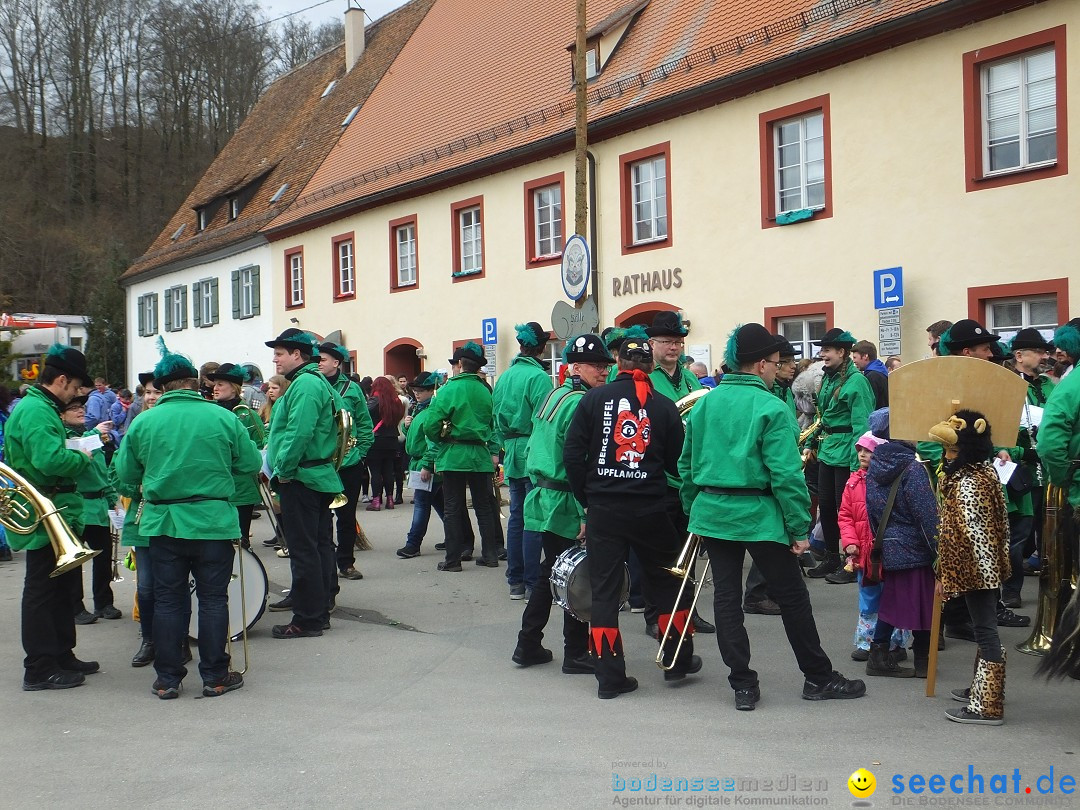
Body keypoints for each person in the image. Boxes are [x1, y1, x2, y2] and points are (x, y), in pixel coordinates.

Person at [679, 323, 866, 710]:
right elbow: (786, 475)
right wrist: (799, 528)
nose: (778, 367)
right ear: (762, 364)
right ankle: (817, 677)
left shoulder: (705, 403)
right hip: (760, 515)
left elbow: (685, 466)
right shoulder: (770, 406)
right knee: (793, 598)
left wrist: (694, 508)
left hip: (713, 512)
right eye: (776, 361)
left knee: (727, 600)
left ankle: (742, 684)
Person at [114, 343, 262, 699]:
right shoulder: (223, 417)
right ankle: (214, 676)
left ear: (162, 387)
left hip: (164, 521)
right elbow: (250, 464)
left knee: (168, 601)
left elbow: (124, 475)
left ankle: (167, 679)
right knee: (213, 600)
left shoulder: (144, 421)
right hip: (213, 519)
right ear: (193, 382)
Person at [564, 337, 699, 699]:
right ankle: (676, 659)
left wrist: (587, 496)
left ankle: (610, 677)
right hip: (651, 507)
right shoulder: (666, 406)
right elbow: (677, 462)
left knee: (605, 592)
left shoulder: (592, 399)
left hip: (605, 510)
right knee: (668, 584)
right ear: (650, 365)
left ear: (619, 362)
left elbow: (573, 454)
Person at [512, 334, 612, 675]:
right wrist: (586, 510)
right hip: (565, 497)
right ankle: (574, 652)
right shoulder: (583, 402)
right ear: (576, 367)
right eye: (597, 366)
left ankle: (528, 643)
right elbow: (578, 460)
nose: (603, 372)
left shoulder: (555, 394)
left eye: (606, 366)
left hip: (543, 492)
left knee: (552, 570)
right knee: (574, 573)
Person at [5, 344, 97, 690]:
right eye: (74, 388)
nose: (75, 395)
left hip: (54, 509)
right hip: (44, 512)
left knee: (60, 588)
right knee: (42, 589)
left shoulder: (40, 408)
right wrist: (82, 458)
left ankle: (61, 652)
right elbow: (49, 461)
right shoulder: (37, 411)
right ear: (61, 380)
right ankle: (40, 666)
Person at [927, 410, 1011, 724]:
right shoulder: (984, 472)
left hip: (976, 568)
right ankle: (982, 688)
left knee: (986, 632)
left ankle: (987, 705)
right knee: (983, 629)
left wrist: (946, 576)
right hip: (986, 565)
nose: (947, 457)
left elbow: (957, 536)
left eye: (953, 451)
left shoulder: (967, 483)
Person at [264, 329, 344, 638]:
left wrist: (282, 469)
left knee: (304, 550)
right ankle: (318, 611)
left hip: (302, 477)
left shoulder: (307, 384)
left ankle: (308, 619)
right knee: (318, 546)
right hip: (314, 475)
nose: (275, 358)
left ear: (298, 354)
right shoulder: (313, 381)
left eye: (280, 353)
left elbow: (299, 432)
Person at [863, 410, 938, 679]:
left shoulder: (875, 467)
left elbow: (871, 511)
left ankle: (880, 653)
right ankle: (922, 660)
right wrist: (939, 550)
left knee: (895, 600)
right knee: (923, 603)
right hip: (916, 547)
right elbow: (927, 514)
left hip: (889, 545)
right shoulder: (913, 468)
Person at [803, 328, 875, 583]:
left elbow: (862, 425)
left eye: (827, 351)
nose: (823, 355)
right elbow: (823, 418)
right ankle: (832, 556)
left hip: (847, 452)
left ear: (841, 352)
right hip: (828, 450)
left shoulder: (856, 382)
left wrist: (860, 462)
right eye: (822, 351)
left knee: (847, 510)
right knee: (828, 508)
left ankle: (851, 562)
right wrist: (810, 442)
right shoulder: (829, 378)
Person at [424, 342, 503, 571]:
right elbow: (493, 423)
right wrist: (493, 451)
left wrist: (441, 438)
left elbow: (431, 425)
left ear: (459, 364)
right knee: (484, 508)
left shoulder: (449, 389)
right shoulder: (486, 390)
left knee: (452, 508)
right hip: (480, 453)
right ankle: (490, 556)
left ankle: (453, 560)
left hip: (454, 454)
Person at [492, 321, 553, 600]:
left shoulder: (505, 376)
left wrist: (502, 446)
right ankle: (531, 582)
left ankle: (515, 579)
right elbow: (544, 419)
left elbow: (495, 417)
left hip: (512, 447)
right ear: (541, 348)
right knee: (533, 517)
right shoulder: (538, 377)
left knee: (517, 515)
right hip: (532, 447)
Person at [112, 372, 162, 667]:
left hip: (172, 515)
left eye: (157, 391)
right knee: (146, 585)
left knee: (175, 584)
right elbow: (119, 474)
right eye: (148, 392)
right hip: (143, 517)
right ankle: (149, 639)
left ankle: (179, 639)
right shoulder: (135, 427)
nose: (151, 397)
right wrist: (138, 487)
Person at [59, 396, 120, 624]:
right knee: (75, 561)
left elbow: (101, 473)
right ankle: (76, 608)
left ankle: (104, 602)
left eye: (81, 407)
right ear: (62, 415)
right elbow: (74, 453)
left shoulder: (89, 436)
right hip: (76, 505)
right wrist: (93, 433)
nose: (79, 411)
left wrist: (113, 499)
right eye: (73, 408)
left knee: (104, 557)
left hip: (98, 505)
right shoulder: (65, 436)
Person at [318, 343, 374, 580]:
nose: (318, 362)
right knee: (321, 517)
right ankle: (325, 563)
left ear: (336, 363)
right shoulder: (312, 384)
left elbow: (364, 424)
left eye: (322, 359)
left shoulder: (352, 389)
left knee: (346, 516)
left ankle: (346, 563)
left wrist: (359, 454)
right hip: (320, 463)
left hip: (348, 463)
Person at [206, 363, 266, 548]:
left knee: (241, 539)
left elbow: (260, 445)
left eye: (221, 384)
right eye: (215, 384)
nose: (215, 388)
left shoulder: (247, 414)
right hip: (215, 483)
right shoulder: (209, 411)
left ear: (234, 387)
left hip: (242, 484)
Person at [397, 372, 445, 558]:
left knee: (421, 504)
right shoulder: (420, 408)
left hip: (426, 463)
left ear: (430, 390)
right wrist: (407, 426)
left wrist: (427, 464)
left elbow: (433, 442)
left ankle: (413, 544)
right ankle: (458, 537)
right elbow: (415, 437)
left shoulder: (431, 410)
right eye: (415, 390)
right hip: (420, 462)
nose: (417, 393)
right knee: (438, 503)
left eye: (421, 390)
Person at [365, 376, 405, 511]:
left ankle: (376, 500)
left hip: (376, 439)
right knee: (388, 470)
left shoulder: (375, 400)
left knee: (375, 471)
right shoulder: (396, 401)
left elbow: (365, 414)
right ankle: (390, 500)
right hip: (392, 439)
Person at [852, 340, 889, 410]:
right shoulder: (881, 370)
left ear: (865, 356)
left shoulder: (871, 376)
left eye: (855, 357)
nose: (854, 361)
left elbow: (870, 404)